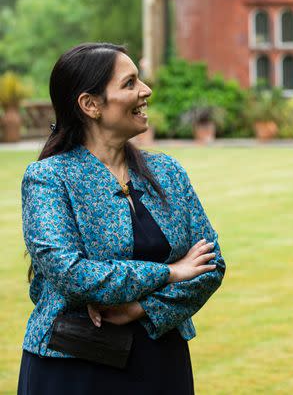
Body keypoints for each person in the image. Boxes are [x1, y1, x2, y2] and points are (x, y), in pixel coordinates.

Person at [18, 43, 226, 394]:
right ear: (90, 105)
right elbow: (72, 275)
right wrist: (170, 272)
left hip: (161, 363)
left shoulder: (167, 172)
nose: (146, 91)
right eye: (130, 83)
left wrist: (141, 308)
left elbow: (211, 264)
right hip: (74, 366)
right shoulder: (48, 178)